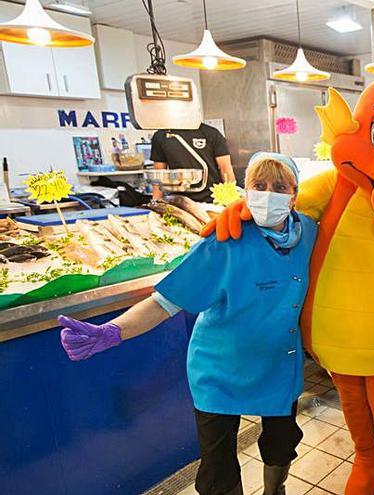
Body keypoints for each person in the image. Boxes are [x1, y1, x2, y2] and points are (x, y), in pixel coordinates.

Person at [58, 153, 317, 495]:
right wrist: (113, 331)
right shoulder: (224, 244)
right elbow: (164, 303)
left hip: (277, 363)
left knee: (281, 441)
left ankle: (275, 490)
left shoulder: (309, 233)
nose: (269, 194)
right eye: (259, 185)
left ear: (294, 193)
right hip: (219, 369)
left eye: (279, 187)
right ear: (245, 190)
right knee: (218, 462)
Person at [150, 123, 234, 202]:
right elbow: (159, 174)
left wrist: (231, 199)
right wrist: (155, 202)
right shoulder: (161, 135)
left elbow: (225, 168)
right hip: (178, 201)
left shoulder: (211, 133)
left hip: (211, 199)